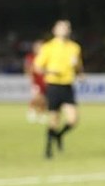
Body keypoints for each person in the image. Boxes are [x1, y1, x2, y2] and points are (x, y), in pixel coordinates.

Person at [34, 20, 83, 158]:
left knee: (73, 119)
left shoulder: (75, 47)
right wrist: (50, 70)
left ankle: (59, 136)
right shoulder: (48, 47)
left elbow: (78, 67)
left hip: (67, 85)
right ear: (54, 30)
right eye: (62, 27)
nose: (65, 29)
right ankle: (48, 149)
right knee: (53, 120)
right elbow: (38, 67)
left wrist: (80, 74)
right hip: (54, 86)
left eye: (67, 27)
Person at [24, 40, 47, 123]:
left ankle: (41, 114)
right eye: (38, 47)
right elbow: (28, 67)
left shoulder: (45, 57)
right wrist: (29, 75)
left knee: (44, 99)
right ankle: (31, 111)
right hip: (36, 81)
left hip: (45, 81)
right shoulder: (31, 57)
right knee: (38, 97)